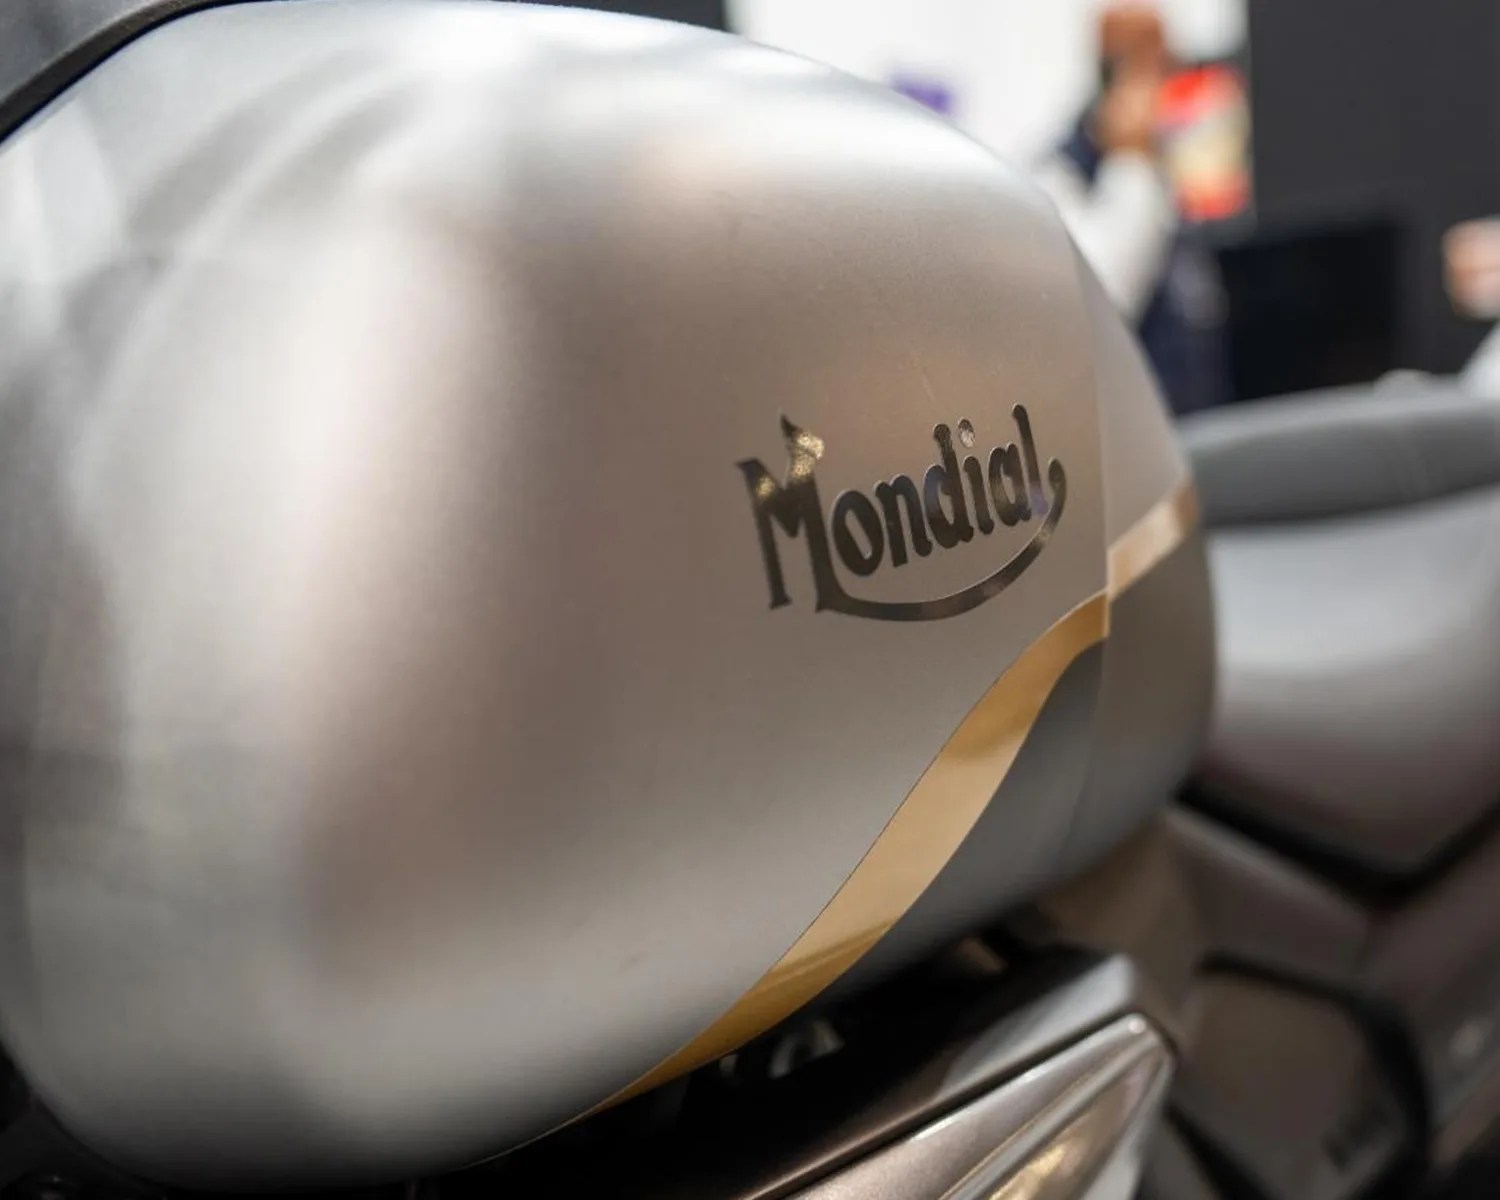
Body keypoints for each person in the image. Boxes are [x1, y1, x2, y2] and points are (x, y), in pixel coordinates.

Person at [1036, 3, 1230, 415]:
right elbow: (1109, 298)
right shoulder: (1062, 177)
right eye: (1157, 67)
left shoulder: (1169, 157)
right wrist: (1132, 163)